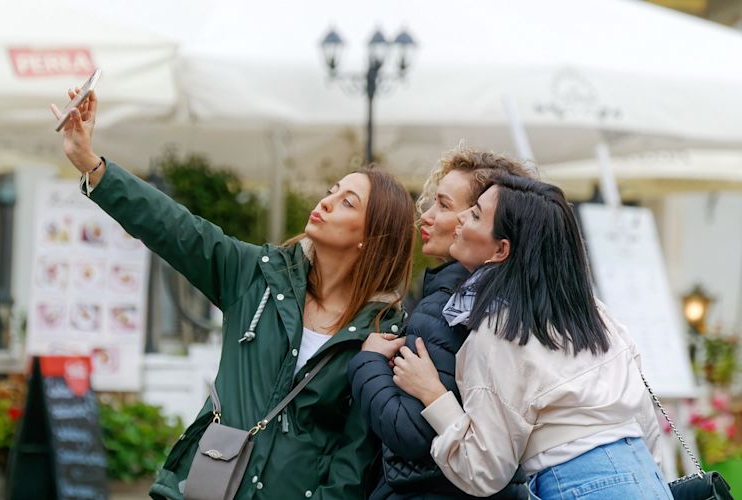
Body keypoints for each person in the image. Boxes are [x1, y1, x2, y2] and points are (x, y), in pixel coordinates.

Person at [51, 89, 416, 499]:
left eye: (347, 202)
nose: (327, 202)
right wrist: (92, 165)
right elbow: (174, 228)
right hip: (210, 485)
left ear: (371, 237)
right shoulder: (257, 276)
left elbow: (356, 453)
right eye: (331, 190)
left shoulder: (382, 333)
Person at [392, 175, 672, 499]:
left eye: (475, 214)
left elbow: (484, 470)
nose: (460, 219)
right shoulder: (594, 314)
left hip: (579, 483)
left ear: (501, 249)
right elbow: (643, 419)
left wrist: (433, 395)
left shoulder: (499, 332)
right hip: (645, 477)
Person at [347, 149, 530, 500]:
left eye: (445, 206)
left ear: (487, 221)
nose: (426, 218)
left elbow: (410, 432)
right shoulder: (509, 303)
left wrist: (367, 361)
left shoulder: (447, 306)